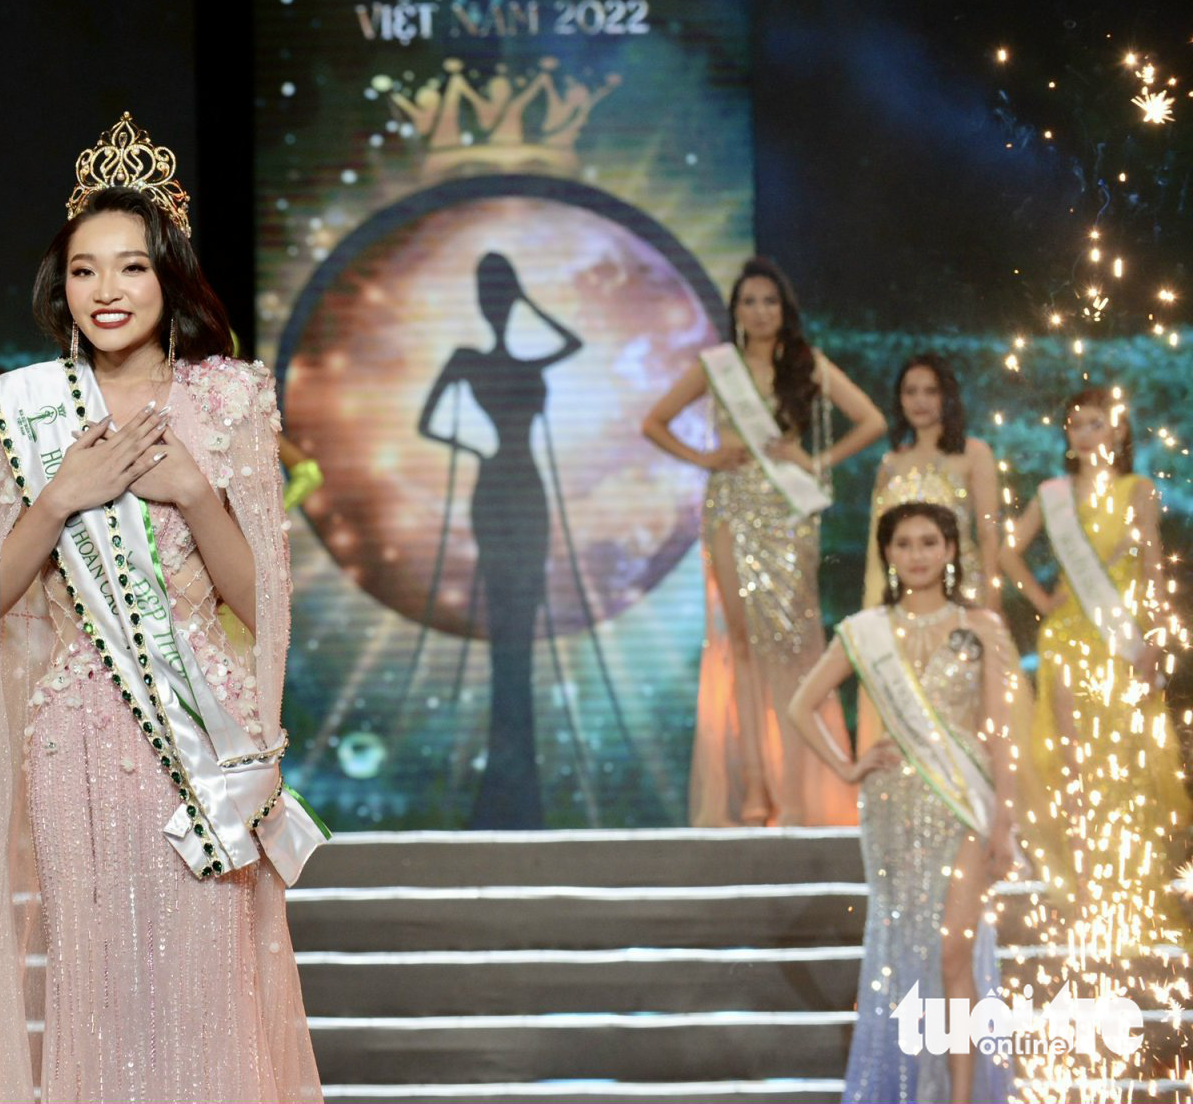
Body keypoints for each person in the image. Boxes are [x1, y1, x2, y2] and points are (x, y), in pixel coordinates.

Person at [0, 113, 322, 1102]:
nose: (105, 291)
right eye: (83, 270)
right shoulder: (19, 412)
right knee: (96, 982)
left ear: (168, 278)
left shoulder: (230, 399)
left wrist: (197, 495)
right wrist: (60, 495)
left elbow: (263, 603)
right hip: (72, 734)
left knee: (206, 985)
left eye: (130, 268)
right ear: (57, 286)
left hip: (203, 735)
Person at [787, 503, 1033, 1103]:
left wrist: (1005, 819)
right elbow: (801, 705)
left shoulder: (982, 627)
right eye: (904, 544)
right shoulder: (865, 630)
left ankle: (962, 1095)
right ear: (888, 554)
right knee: (903, 952)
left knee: (954, 951)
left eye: (929, 542)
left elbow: (1000, 732)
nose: (917, 555)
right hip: (893, 807)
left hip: (963, 802)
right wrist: (848, 767)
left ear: (951, 549)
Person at [641, 257, 886, 826]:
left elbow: (871, 419)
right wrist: (702, 457)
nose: (759, 311)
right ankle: (755, 787)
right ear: (735, 312)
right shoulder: (716, 366)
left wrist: (816, 460)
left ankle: (800, 789)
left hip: (788, 513)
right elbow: (653, 422)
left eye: (769, 301)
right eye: (748, 302)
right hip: (730, 507)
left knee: (796, 649)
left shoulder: (807, 365)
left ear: (785, 309)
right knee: (743, 649)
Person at [999, 387, 1190, 914]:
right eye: (1076, 424)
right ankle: (1084, 893)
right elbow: (1006, 550)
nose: (1084, 433)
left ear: (1120, 430)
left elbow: (1153, 566)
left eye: (1096, 423)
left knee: (1126, 758)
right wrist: (1041, 598)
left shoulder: (1139, 490)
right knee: (1074, 760)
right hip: (1067, 638)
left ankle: (1132, 890)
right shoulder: (1052, 494)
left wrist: (1153, 637)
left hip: (1121, 636)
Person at [417, 249, 582, 827]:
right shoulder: (467, 360)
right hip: (497, 491)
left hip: (528, 495)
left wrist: (527, 301)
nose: (498, 305)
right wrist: (475, 448)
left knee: (524, 624)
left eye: (503, 295)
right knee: (504, 624)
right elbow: (427, 422)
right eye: (495, 295)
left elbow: (572, 343)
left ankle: (521, 786)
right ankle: (504, 787)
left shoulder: (525, 362)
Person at [854, 354, 999, 758]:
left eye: (931, 391)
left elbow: (988, 534)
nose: (920, 401)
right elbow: (877, 551)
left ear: (947, 397)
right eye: (910, 391)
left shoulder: (974, 454)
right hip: (904, 607)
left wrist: (992, 600)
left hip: (960, 598)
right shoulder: (890, 464)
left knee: (962, 705)